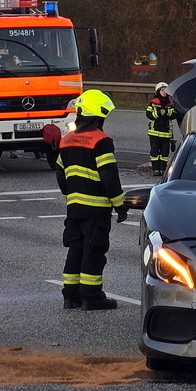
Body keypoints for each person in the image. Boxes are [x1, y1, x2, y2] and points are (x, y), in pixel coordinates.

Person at [57, 88, 126, 310]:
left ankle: (71, 296)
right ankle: (92, 297)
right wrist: (120, 204)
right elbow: (109, 176)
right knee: (93, 252)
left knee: (75, 250)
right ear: (98, 115)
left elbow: (60, 173)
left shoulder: (66, 140)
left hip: (74, 208)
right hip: (96, 210)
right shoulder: (101, 141)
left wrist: (71, 193)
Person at [144, 83, 178, 175]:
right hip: (154, 132)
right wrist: (159, 113)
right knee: (154, 151)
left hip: (166, 133)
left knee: (165, 153)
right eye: (162, 90)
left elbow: (174, 115)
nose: (164, 92)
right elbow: (149, 115)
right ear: (158, 91)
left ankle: (162, 170)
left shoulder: (170, 103)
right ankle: (155, 169)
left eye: (165, 90)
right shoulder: (153, 102)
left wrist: (166, 112)